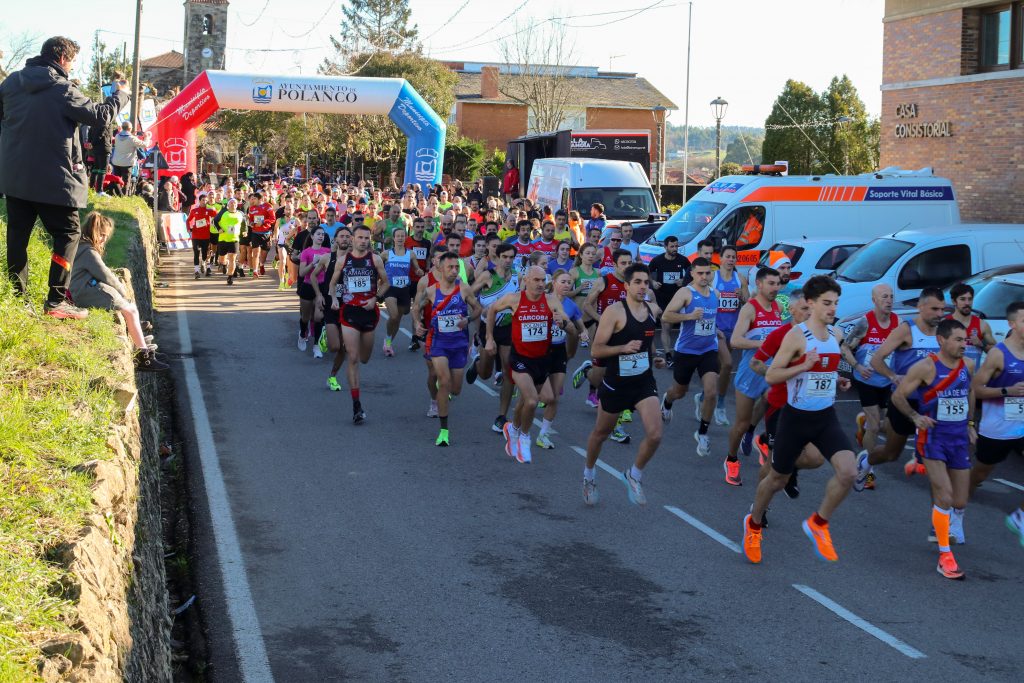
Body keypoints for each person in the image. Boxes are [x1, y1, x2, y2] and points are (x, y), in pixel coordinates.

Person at [0, 36, 130, 319]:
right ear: (62, 59)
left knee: (17, 236)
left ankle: (17, 299)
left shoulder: (10, 84)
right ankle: (56, 300)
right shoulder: (63, 90)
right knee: (69, 234)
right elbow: (100, 115)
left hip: (15, 178)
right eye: (71, 62)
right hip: (55, 182)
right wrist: (121, 94)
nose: (71, 68)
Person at [743, 276, 854, 564]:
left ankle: (819, 523)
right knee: (777, 478)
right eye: (827, 303)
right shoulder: (796, 336)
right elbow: (771, 375)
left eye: (836, 303)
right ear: (810, 303)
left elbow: (824, 370)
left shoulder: (835, 336)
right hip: (795, 417)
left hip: (825, 417)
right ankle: (754, 525)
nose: (832, 309)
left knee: (848, 472)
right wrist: (803, 365)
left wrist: (837, 379)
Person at [890, 318, 974, 579]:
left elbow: (969, 392)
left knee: (959, 501)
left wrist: (971, 423)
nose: (964, 344)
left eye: (966, 340)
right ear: (942, 340)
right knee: (945, 497)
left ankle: (919, 467)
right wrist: (915, 417)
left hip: (958, 439)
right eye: (958, 340)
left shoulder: (968, 365)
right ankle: (945, 556)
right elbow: (898, 396)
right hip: (933, 438)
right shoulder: (925, 367)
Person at [581, 263, 666, 506]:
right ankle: (589, 476)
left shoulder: (651, 310)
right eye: (637, 282)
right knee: (601, 434)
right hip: (617, 382)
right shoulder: (614, 312)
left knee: (656, 434)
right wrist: (622, 348)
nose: (642, 286)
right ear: (626, 286)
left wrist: (655, 357)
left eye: (645, 282)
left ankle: (634, 474)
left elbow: (647, 341)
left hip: (643, 380)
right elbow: (597, 349)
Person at [855, 288, 945, 490]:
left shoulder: (943, 332)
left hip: (933, 402)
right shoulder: (907, 330)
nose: (940, 314)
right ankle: (866, 461)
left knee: (941, 451)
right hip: (906, 401)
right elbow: (877, 359)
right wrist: (893, 376)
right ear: (920, 307)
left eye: (942, 309)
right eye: (934, 309)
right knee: (891, 453)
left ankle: (946, 506)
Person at [486, 266, 568, 463]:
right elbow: (492, 309)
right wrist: (490, 337)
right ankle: (524, 437)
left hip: (542, 359)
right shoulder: (514, 299)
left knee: (547, 397)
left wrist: (561, 321)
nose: (541, 284)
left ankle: (512, 428)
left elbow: (564, 317)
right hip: (520, 359)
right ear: (527, 280)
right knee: (531, 400)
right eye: (537, 280)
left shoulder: (550, 299)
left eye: (543, 281)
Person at [68, 212, 167, 371]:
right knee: (129, 310)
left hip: (84, 288)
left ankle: (141, 342)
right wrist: (123, 290)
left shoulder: (83, 247)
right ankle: (144, 357)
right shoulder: (88, 251)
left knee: (131, 309)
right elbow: (105, 274)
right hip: (83, 292)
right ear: (93, 232)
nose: (104, 239)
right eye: (102, 235)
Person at [969, 300, 1024, 548]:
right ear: (1012, 324)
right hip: (997, 429)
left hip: (1021, 425)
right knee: (979, 474)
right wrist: (1007, 390)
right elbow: (976, 389)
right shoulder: (998, 354)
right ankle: (954, 510)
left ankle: (1020, 517)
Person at [412, 252, 482, 446]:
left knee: (456, 389)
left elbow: (478, 309)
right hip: (438, 342)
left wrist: (467, 320)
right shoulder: (432, 290)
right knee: (443, 381)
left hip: (459, 343)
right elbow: (416, 307)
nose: (453, 271)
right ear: (440, 268)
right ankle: (444, 431)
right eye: (450, 267)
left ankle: (448, 388)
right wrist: (417, 323)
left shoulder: (464, 289)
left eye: (456, 268)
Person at [725, 267, 783, 485]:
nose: (775, 288)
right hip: (750, 372)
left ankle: (759, 436)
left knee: (771, 403)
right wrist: (765, 344)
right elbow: (736, 341)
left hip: (771, 371)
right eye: (771, 283)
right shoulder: (750, 308)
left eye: (777, 284)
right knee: (740, 423)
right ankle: (731, 459)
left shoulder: (778, 307)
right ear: (759, 284)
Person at [329, 225, 390, 424]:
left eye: (367, 238)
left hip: (369, 312)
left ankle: (357, 401)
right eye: (360, 237)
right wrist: (334, 299)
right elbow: (332, 283)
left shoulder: (375, 259)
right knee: (353, 357)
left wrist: (377, 298)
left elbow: (386, 283)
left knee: (364, 358)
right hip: (349, 311)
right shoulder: (342, 260)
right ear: (353, 239)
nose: (363, 241)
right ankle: (356, 405)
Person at [659, 258, 719, 456]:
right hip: (686, 351)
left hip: (708, 350)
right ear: (692, 273)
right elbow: (666, 316)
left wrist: (716, 330)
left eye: (707, 273)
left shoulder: (715, 293)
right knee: (680, 391)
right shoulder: (685, 293)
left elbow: (711, 319)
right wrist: (689, 316)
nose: (704, 277)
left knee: (711, 392)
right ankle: (667, 400)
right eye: (700, 273)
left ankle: (702, 433)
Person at [840, 284, 898, 464]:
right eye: (884, 297)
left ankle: (863, 424)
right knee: (874, 426)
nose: (888, 301)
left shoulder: (898, 323)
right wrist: (858, 367)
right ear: (874, 300)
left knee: (890, 427)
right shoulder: (865, 323)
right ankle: (867, 468)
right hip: (867, 380)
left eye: (890, 297)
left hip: (888, 380)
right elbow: (844, 347)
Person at [697, 245, 748, 426]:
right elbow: (701, 294)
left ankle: (703, 396)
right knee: (727, 364)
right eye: (728, 256)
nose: (731, 260)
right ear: (721, 259)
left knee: (718, 368)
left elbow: (748, 303)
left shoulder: (740, 278)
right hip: (715, 330)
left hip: (732, 330)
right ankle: (720, 404)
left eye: (734, 257)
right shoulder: (713, 277)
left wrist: (742, 295)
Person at [537, 269, 588, 449]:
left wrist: (584, 334)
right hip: (540, 351)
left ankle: (543, 434)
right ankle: (518, 426)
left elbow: (581, 327)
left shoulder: (572, 306)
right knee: (534, 396)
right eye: (563, 282)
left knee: (554, 397)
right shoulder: (543, 300)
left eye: (569, 282)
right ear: (554, 283)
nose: (567, 285)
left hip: (559, 350)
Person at [648, 235, 690, 363]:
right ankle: (668, 354)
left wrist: (683, 280)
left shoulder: (683, 260)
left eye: (676, 246)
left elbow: (691, 274)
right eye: (672, 246)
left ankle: (681, 352)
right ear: (665, 247)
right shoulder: (657, 260)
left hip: (677, 299)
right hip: (661, 297)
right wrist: (653, 282)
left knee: (675, 327)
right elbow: (647, 272)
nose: (675, 249)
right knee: (665, 327)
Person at [382, 227, 422, 357]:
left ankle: (388, 342)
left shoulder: (410, 254)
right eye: (397, 236)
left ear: (405, 238)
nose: (400, 238)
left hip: (404, 288)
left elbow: (416, 269)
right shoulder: (386, 254)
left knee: (399, 318)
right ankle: (387, 342)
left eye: (402, 236)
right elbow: (378, 268)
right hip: (390, 288)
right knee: (393, 316)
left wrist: (419, 272)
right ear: (393, 238)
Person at [296, 226, 331, 355]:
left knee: (318, 317)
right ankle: (302, 334)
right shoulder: (306, 252)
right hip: (307, 286)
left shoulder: (328, 251)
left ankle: (316, 344)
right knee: (305, 317)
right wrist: (313, 263)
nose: (321, 236)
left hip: (322, 287)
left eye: (322, 234)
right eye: (318, 234)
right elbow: (302, 273)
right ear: (312, 236)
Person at [947, 282, 996, 367]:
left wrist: (981, 344)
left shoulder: (982, 325)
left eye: (970, 299)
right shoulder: (945, 323)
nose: (967, 303)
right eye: (962, 299)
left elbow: (997, 351)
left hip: (973, 377)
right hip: (951, 377)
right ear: (954, 301)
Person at [213, 198, 245, 285]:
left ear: (237, 205)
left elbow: (244, 223)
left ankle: (230, 277)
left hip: (234, 239)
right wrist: (219, 229)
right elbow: (215, 221)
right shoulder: (223, 212)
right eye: (231, 203)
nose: (233, 204)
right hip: (223, 238)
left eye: (234, 203)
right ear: (228, 205)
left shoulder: (240, 214)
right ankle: (223, 264)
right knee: (222, 259)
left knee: (232, 258)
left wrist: (244, 231)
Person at [186, 193, 217, 279]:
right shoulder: (194, 211)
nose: (204, 202)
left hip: (206, 235)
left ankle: (203, 263)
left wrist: (213, 209)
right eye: (203, 200)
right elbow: (188, 220)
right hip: (196, 235)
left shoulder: (209, 210)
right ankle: (196, 271)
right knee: (196, 253)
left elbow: (217, 216)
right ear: (199, 201)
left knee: (204, 253)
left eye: (206, 200)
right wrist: (189, 228)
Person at [246, 191, 276, 278]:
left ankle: (261, 264)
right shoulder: (251, 208)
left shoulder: (268, 206)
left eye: (254, 198)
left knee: (264, 253)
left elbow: (273, 219)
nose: (252, 200)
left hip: (266, 233)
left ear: (260, 199)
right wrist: (251, 223)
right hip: (255, 233)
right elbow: (251, 220)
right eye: (252, 198)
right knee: (256, 252)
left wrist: (263, 222)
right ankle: (255, 271)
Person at [110, 122, 146, 188]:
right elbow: (144, 145)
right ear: (130, 128)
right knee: (126, 182)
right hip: (127, 163)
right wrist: (147, 137)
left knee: (116, 180)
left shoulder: (117, 136)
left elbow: (125, 137)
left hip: (116, 162)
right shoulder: (132, 138)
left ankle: (115, 193)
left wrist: (132, 135)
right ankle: (124, 196)